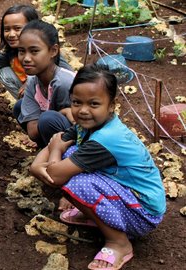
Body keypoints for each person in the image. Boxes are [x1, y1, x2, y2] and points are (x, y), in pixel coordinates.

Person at [30, 64, 166, 270]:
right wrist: (38, 163)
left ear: (111, 105)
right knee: (71, 155)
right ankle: (94, 214)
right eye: (76, 102)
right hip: (128, 195)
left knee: (77, 181)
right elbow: (56, 142)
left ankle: (119, 243)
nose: (83, 110)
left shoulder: (106, 139)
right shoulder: (90, 125)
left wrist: (53, 153)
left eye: (94, 103)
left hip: (144, 213)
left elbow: (55, 171)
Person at [0, 4, 71, 99]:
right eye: (7, 29)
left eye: (17, 28)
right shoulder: (11, 53)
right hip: (31, 95)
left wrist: (30, 82)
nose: (11, 34)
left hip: (54, 96)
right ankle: (25, 104)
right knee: (3, 72)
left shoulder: (46, 53)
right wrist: (1, 41)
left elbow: (69, 78)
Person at [15, 19, 75, 149]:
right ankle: (47, 149)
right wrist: (62, 112)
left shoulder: (65, 83)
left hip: (80, 139)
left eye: (34, 51)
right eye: (21, 51)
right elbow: (32, 131)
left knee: (47, 119)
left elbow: (81, 125)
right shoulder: (33, 81)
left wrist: (45, 117)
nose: (26, 58)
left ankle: (64, 158)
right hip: (55, 129)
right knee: (19, 106)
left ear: (53, 51)